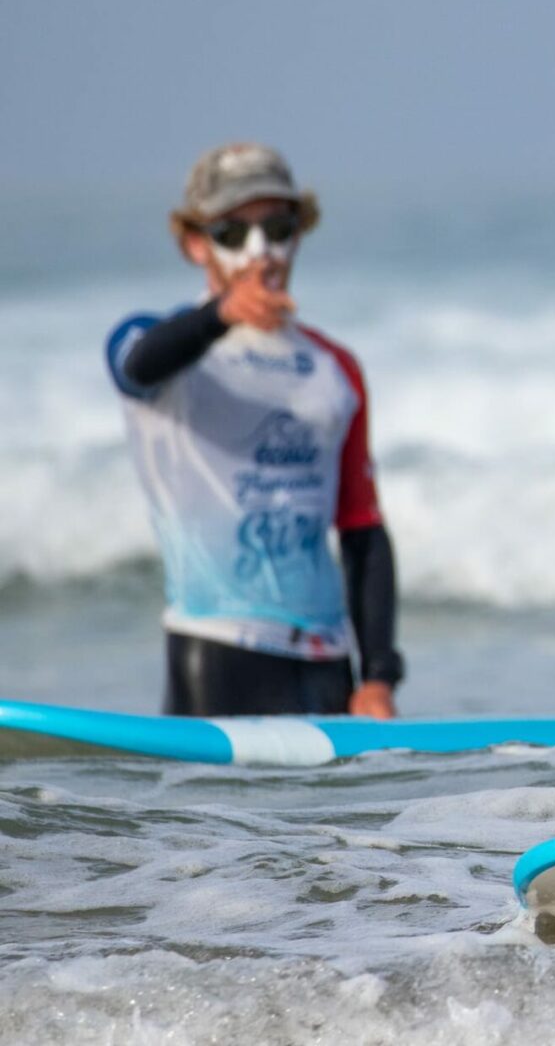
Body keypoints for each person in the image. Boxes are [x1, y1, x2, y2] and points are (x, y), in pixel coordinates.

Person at [105, 143, 404, 718]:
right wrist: (222, 313)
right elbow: (138, 364)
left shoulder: (334, 368)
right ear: (196, 243)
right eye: (232, 234)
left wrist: (380, 675)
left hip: (328, 665)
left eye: (276, 227)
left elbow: (363, 530)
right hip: (218, 651)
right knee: (225, 815)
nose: (259, 252)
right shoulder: (157, 347)